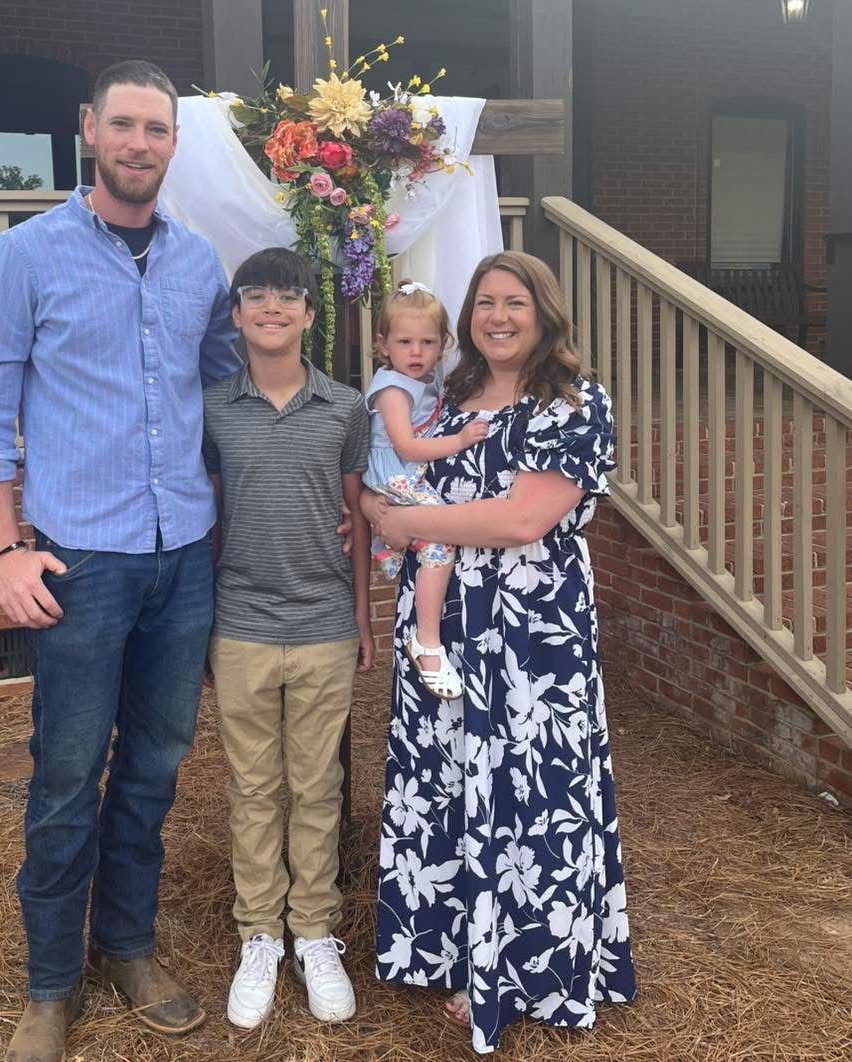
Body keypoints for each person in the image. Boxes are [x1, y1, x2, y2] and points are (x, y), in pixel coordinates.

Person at [0, 60, 243, 1062]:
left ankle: (126, 945)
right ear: (89, 129)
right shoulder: (23, 257)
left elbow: (226, 391)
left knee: (155, 770)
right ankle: (49, 981)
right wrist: (3, 547)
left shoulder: (200, 264)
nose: (138, 144)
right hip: (79, 561)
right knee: (68, 773)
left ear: (173, 144)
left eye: (155, 130)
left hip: (184, 559)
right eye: (123, 125)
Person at [368, 251, 636, 1054]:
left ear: (544, 312)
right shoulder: (451, 396)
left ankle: (528, 965)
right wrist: (387, 509)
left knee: (531, 786)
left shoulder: (573, 402)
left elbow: (523, 521)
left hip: (530, 633)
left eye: (514, 302)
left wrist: (406, 524)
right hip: (445, 624)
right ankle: (455, 951)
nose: (497, 316)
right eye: (484, 302)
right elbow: (407, 475)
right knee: (447, 776)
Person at [202, 247, 374, 1031]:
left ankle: (314, 932)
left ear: (311, 314)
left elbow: (358, 522)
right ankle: (259, 936)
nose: (272, 308)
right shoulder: (209, 409)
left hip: (322, 627)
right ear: (235, 314)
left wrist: (365, 617)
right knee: (253, 787)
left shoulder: (345, 408)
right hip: (238, 623)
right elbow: (200, 516)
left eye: (288, 297)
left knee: (317, 788)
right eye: (256, 297)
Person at [364, 280, 488, 701]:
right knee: (441, 544)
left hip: (407, 475)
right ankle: (427, 641)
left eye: (427, 342)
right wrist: (461, 440)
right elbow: (407, 446)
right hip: (394, 475)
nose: (416, 352)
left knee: (434, 534)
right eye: (404, 341)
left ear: (443, 344)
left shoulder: (429, 382)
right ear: (383, 344)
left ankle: (394, 550)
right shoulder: (393, 389)